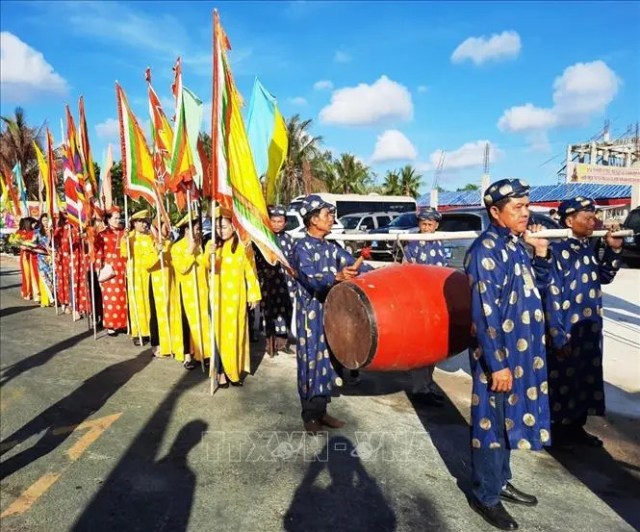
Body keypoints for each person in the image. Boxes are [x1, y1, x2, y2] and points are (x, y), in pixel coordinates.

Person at [465, 178, 552, 531]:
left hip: (523, 356)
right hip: (498, 358)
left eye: (526, 206)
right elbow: (485, 313)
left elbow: (536, 290)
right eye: (517, 208)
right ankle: (486, 495)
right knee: (490, 424)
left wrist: (541, 256)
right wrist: (497, 365)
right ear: (495, 212)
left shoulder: (516, 246)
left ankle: (500, 480)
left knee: (508, 421)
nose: (525, 213)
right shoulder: (484, 251)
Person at [544, 197, 623, 449]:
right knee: (561, 380)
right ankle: (556, 432)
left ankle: (576, 428)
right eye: (586, 217)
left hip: (588, 328)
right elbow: (552, 294)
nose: (593, 221)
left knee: (584, 378)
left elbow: (605, 277)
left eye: (593, 217)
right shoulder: (556, 251)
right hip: (566, 329)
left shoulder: (587, 246)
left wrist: (613, 249)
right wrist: (557, 334)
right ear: (569, 220)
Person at [291, 195, 373, 434]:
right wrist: (336, 277)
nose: (331, 219)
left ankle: (322, 411)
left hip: (331, 315)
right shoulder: (301, 248)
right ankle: (310, 415)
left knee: (328, 362)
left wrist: (379, 271)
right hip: (311, 316)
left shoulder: (331, 247)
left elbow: (354, 265)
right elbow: (310, 279)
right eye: (327, 215)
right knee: (311, 361)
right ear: (313, 220)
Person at [210, 207, 261, 386]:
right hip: (216, 299)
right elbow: (203, 267)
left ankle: (235, 371)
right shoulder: (211, 245)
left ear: (233, 226)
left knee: (236, 335)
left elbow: (251, 271)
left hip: (237, 299)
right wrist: (208, 256)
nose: (220, 230)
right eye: (217, 227)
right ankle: (221, 373)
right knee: (219, 336)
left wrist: (253, 295)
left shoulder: (244, 246)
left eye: (223, 227)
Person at [403, 206, 447, 407]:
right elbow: (407, 272)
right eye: (423, 224)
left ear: (436, 225)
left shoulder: (439, 242)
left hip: (436, 301)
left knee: (434, 347)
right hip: (419, 302)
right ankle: (420, 390)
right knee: (421, 347)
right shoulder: (412, 245)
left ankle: (428, 385)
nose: (427, 227)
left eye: (430, 224)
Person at [170, 213, 211, 370]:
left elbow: (206, 265)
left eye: (199, 228)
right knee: (187, 323)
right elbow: (182, 267)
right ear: (186, 229)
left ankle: (204, 353)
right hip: (186, 291)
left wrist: (209, 254)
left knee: (203, 321)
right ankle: (188, 355)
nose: (199, 231)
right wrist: (190, 251)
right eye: (196, 228)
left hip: (201, 289)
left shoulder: (201, 245)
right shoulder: (177, 247)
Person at [254, 204, 296, 358]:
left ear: (285, 223)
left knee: (285, 309)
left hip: (286, 282)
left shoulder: (290, 240)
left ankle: (283, 342)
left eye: (280, 221)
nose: (277, 224)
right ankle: (269, 343)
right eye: (274, 221)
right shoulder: (263, 238)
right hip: (268, 280)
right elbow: (257, 259)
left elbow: (293, 261)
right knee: (269, 310)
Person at [139, 219, 174, 358]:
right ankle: (157, 344)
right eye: (164, 225)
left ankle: (170, 344)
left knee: (169, 313)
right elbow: (147, 264)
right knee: (156, 314)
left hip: (169, 282)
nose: (167, 228)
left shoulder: (170, 243)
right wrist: (156, 252)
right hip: (155, 282)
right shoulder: (149, 242)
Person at [95, 207, 128, 336]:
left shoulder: (124, 232)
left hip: (123, 267)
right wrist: (99, 266)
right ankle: (111, 324)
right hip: (109, 268)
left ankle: (123, 323)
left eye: (119, 218)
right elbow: (98, 250)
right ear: (108, 220)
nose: (117, 220)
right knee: (110, 298)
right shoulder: (103, 233)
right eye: (115, 218)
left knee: (124, 297)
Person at [122, 210, 152, 346]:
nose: (144, 224)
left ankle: (151, 331)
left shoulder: (152, 236)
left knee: (149, 303)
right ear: (134, 223)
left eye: (146, 221)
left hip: (149, 275)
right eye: (141, 221)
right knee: (137, 304)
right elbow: (123, 253)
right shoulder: (129, 237)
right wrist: (125, 240)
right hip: (135, 274)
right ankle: (138, 332)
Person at [14, 217, 40, 302]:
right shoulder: (19, 232)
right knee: (26, 275)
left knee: (35, 274)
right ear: (28, 224)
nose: (35, 225)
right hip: (25, 256)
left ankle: (35, 292)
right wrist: (20, 246)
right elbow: (15, 243)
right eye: (33, 223)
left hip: (34, 256)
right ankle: (27, 292)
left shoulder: (34, 232)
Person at [34, 213, 55, 307]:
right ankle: (49, 299)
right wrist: (41, 249)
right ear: (41, 222)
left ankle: (55, 297)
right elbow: (33, 245)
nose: (46, 222)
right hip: (42, 258)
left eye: (47, 220)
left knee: (53, 278)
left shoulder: (53, 231)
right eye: (44, 220)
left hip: (52, 258)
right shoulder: (37, 232)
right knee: (45, 278)